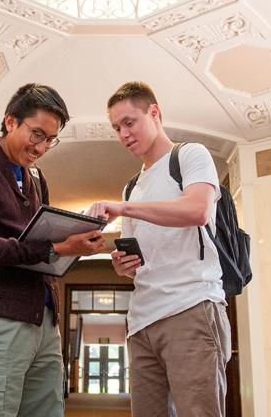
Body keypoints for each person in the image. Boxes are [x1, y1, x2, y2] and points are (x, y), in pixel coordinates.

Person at [0, 83, 105, 417]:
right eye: (36, 134)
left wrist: (72, 246)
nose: (42, 147)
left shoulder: (36, 178)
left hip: (44, 324)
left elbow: (41, 246)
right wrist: (57, 246)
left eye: (51, 139)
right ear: (10, 121)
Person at [87, 81, 231, 417]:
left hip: (190, 307)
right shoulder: (132, 186)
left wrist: (123, 209)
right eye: (116, 128)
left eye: (129, 122)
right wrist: (124, 264)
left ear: (154, 113)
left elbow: (197, 210)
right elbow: (135, 264)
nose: (123, 134)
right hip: (141, 321)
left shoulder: (190, 155)